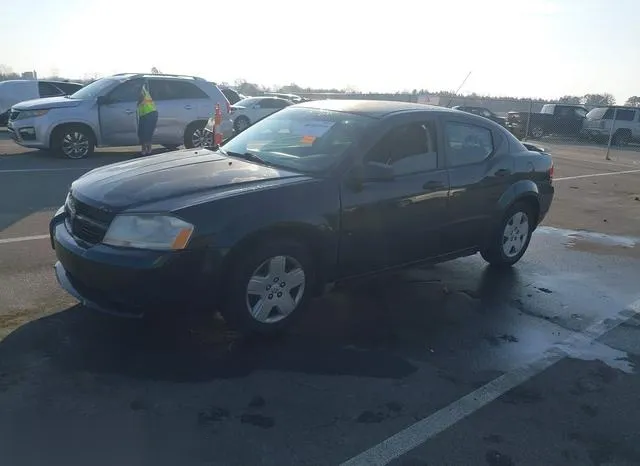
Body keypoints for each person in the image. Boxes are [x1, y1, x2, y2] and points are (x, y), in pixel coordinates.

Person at [137, 80, 158, 156]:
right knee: (142, 133)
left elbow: (140, 99)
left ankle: (147, 150)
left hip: (150, 113)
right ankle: (147, 150)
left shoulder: (141, 90)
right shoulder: (142, 89)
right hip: (145, 114)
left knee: (146, 133)